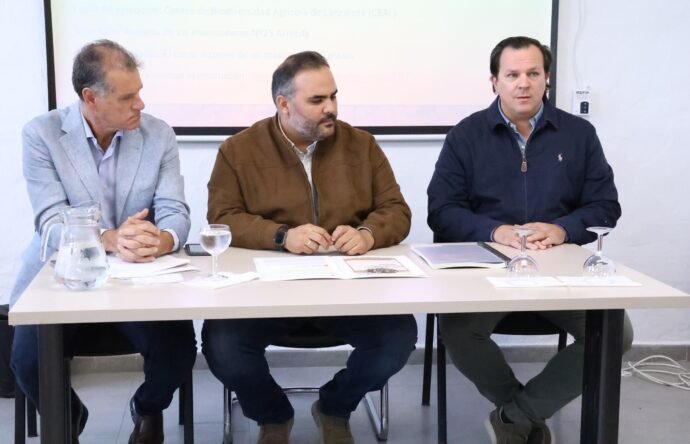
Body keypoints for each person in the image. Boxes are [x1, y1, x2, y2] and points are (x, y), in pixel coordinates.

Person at [427, 36, 634, 444]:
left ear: (547, 78)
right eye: (512, 75)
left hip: (558, 269)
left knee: (617, 333)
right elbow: (442, 210)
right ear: (494, 81)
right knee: (459, 332)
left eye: (533, 73)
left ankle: (514, 417)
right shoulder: (466, 135)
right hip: (486, 268)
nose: (523, 83)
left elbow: (605, 206)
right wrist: (495, 231)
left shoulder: (578, 134)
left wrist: (561, 229)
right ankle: (521, 413)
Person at [203, 51, 417, 444]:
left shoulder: (362, 145)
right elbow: (223, 217)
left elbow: (396, 210)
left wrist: (368, 233)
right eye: (317, 100)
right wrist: (282, 236)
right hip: (266, 295)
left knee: (397, 338)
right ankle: (272, 415)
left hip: (347, 293)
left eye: (333, 96)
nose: (330, 108)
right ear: (283, 104)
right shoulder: (238, 151)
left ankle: (334, 406)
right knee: (223, 346)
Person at [9, 40, 197, 444]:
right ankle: (69, 418)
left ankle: (146, 407)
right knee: (27, 361)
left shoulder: (158, 134)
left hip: (139, 280)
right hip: (62, 279)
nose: (140, 104)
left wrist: (162, 240)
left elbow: (175, 210)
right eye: (127, 97)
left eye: (139, 92)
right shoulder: (42, 134)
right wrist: (111, 239)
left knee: (180, 349)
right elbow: (51, 224)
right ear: (90, 98)